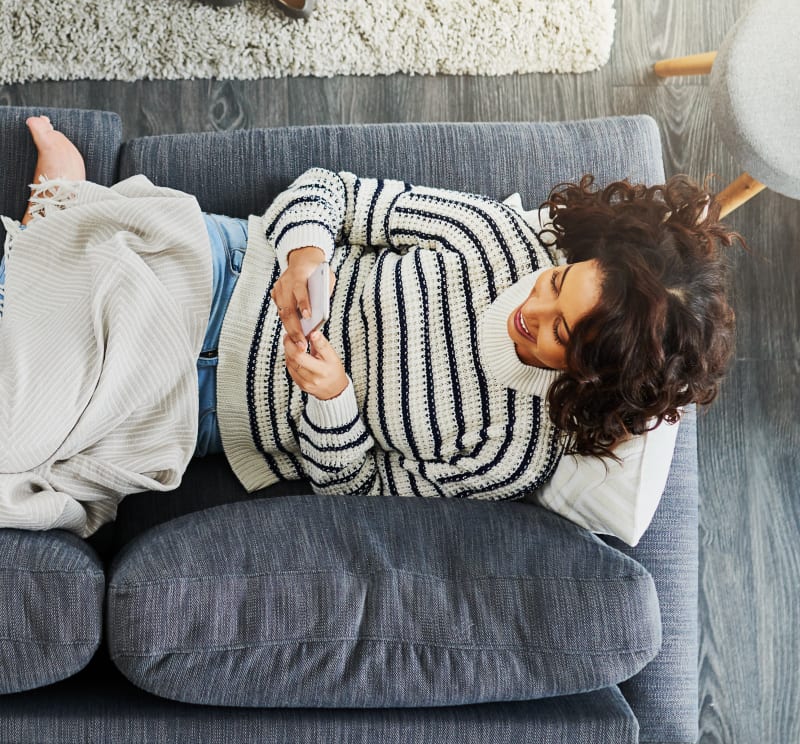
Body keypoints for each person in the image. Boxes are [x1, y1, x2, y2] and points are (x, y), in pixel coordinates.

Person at [0, 116, 741, 540]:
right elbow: (331, 191)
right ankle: (61, 216)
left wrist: (334, 400)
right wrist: (308, 257)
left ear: (588, 374)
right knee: (53, 317)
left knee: (19, 431)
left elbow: (353, 486)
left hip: (194, 408)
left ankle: (58, 213)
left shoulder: (509, 453)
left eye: (557, 335)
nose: (530, 309)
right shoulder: (501, 240)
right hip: (218, 271)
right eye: (555, 285)